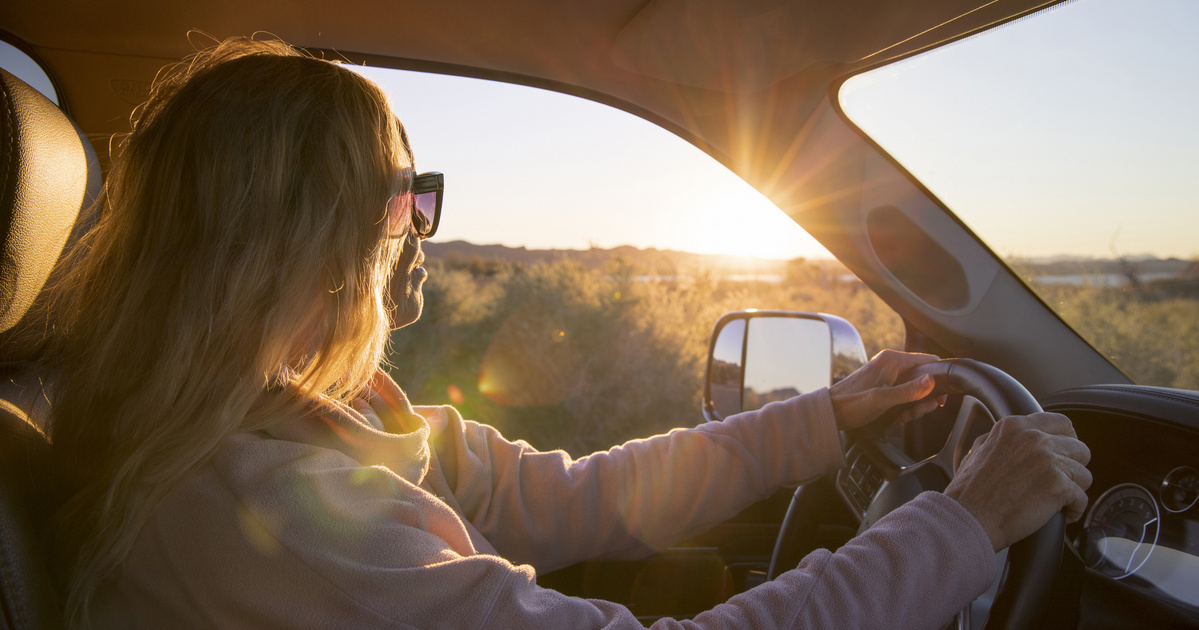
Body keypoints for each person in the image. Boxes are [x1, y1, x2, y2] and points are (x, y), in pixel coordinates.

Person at [42, 37, 1091, 629]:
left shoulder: (325, 416)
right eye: (405, 197)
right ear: (315, 239)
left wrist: (820, 419)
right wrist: (959, 526)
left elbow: (580, 496)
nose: (417, 230)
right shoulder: (268, 517)